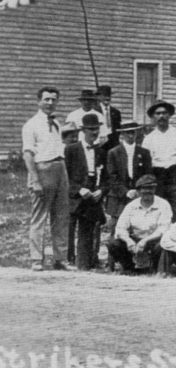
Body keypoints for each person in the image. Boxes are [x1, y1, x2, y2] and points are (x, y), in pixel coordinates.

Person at [65, 112, 106, 270]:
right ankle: (66, 261)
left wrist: (101, 191)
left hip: (93, 194)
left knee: (88, 229)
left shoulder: (101, 152)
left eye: (96, 129)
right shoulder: (71, 150)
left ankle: (84, 264)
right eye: (91, 129)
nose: (94, 132)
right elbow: (65, 177)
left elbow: (106, 179)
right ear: (83, 130)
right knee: (69, 228)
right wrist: (78, 189)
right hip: (75, 195)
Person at [108, 174, 173, 274]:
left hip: (153, 240)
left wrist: (145, 241)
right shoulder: (131, 206)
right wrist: (128, 240)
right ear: (138, 191)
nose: (147, 191)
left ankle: (154, 268)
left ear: (155, 189)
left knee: (163, 244)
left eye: (151, 188)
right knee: (114, 244)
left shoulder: (163, 204)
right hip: (135, 240)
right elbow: (121, 228)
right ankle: (129, 268)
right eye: (144, 189)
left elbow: (163, 229)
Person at [105, 121, 151, 258]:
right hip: (119, 197)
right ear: (122, 134)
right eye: (128, 133)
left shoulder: (144, 152)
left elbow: (147, 175)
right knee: (116, 228)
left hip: (138, 195)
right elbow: (112, 177)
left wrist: (139, 191)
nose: (131, 135)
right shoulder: (113, 153)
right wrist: (125, 192)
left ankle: (137, 260)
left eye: (133, 132)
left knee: (139, 228)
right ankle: (112, 261)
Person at [141, 99, 176, 214]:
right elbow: (146, 163)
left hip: (175, 176)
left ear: (169, 115)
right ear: (153, 117)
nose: (161, 116)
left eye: (164, 113)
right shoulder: (148, 138)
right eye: (158, 113)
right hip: (157, 176)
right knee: (159, 210)